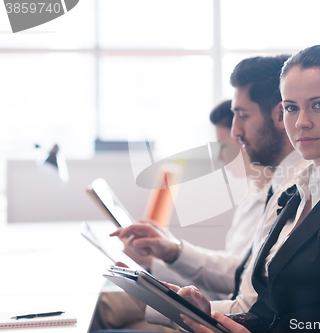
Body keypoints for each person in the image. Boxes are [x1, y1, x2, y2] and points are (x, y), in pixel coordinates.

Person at [179, 45, 320, 333]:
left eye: (319, 105)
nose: (301, 122)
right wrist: (212, 318)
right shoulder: (294, 195)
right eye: (291, 108)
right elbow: (271, 310)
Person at [107, 55, 308, 329]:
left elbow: (249, 305)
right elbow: (242, 274)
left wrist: (170, 303)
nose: (236, 132)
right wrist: (172, 252)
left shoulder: (299, 192)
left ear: (278, 115)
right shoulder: (278, 187)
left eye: (243, 116)